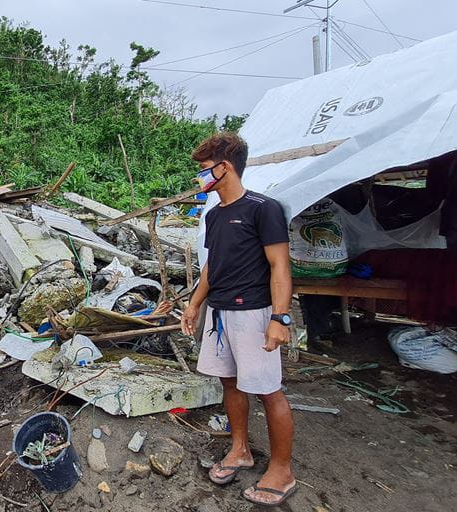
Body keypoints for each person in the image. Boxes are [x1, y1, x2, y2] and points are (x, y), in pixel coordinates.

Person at [181, 132, 296, 506]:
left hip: (255, 313)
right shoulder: (214, 215)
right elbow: (212, 267)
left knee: (268, 391)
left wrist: (280, 318)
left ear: (224, 167)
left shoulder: (263, 209)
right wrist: (195, 304)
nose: (200, 177)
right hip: (220, 313)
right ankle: (240, 449)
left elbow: (280, 266)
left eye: (203, 170)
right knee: (230, 385)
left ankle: (282, 469)